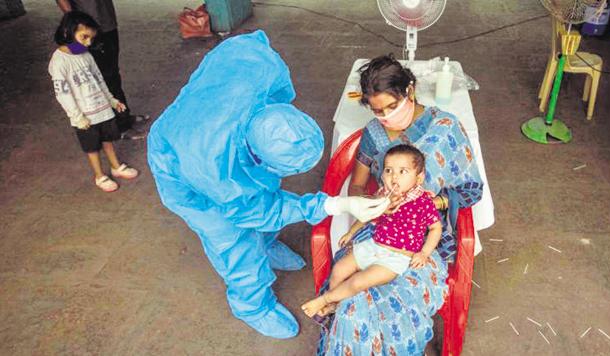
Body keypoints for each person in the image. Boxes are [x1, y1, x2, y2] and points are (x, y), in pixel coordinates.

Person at [147, 30, 389, 339]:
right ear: (256, 157)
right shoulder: (214, 172)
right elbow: (254, 211)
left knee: (266, 192)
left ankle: (267, 243)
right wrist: (336, 204)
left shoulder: (261, 70)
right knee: (234, 239)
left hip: (212, 121)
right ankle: (252, 304)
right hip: (178, 161)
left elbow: (249, 41)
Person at [316, 55, 484, 355]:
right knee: (352, 301)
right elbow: (357, 183)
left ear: (409, 90)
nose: (385, 116)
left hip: (424, 243)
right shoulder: (374, 134)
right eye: (376, 110)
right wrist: (374, 204)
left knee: (395, 306)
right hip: (378, 231)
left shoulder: (445, 128)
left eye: (392, 107)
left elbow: (471, 190)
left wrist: (434, 201)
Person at [301, 144, 442, 318]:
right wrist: (351, 232)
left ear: (419, 178)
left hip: (396, 258)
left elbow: (436, 227)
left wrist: (424, 253)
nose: (394, 176)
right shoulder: (383, 194)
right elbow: (367, 214)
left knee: (358, 281)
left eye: (402, 171)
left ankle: (325, 300)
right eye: (389, 170)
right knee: (339, 268)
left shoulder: (423, 202)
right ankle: (335, 305)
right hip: (373, 245)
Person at [49, 11, 139, 192]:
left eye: (91, 38)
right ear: (67, 32)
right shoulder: (59, 62)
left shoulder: (86, 55)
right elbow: (63, 94)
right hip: (85, 116)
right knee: (92, 147)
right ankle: (100, 176)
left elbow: (99, 80)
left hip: (102, 109)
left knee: (108, 140)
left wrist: (112, 100)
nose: (88, 43)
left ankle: (116, 167)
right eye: (84, 37)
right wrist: (77, 116)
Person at [56, 0, 149, 140]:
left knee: (113, 73)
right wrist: (74, 23)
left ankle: (123, 115)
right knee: (103, 77)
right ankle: (119, 126)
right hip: (86, 29)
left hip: (107, 24)